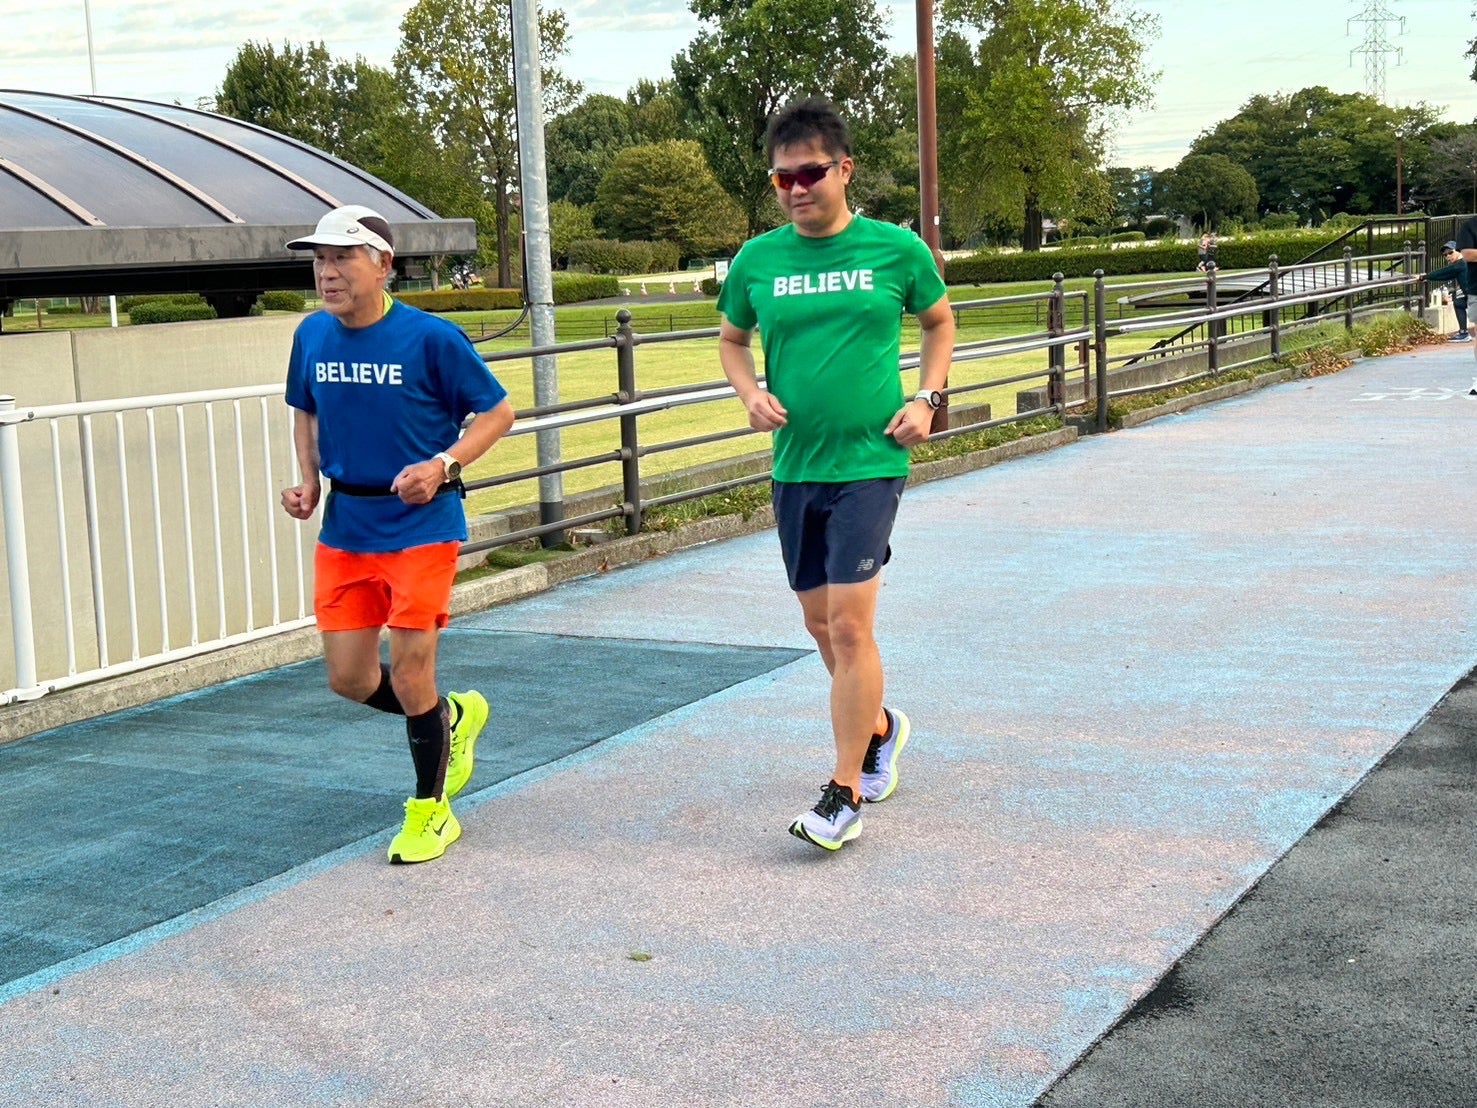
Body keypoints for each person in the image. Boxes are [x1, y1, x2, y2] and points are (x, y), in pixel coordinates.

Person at [715, 98, 956, 851]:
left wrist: (927, 398)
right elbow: (731, 339)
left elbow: (939, 322)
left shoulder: (895, 249)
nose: (795, 188)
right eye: (781, 178)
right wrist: (749, 393)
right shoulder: (757, 261)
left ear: (844, 170)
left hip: (870, 461)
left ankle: (843, 789)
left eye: (809, 173)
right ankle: (879, 726)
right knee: (819, 624)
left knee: (850, 625)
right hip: (795, 466)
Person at [279, 204, 515, 865]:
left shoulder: (431, 338)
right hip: (347, 525)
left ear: (383, 265)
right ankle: (451, 719)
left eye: (342, 258)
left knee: (412, 673)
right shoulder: (311, 334)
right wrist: (308, 481)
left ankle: (430, 812)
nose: (327, 272)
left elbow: (498, 412)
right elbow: (304, 412)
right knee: (349, 679)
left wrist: (444, 465)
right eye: (320, 260)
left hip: (421, 524)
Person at [1424, 240, 1470, 341]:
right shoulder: (1461, 263)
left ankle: (1464, 333)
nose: (1448, 256)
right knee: (1459, 302)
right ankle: (1463, 333)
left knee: (1459, 302)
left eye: (1451, 252)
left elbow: (1443, 272)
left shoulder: (1461, 264)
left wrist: (1424, 277)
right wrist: (1427, 277)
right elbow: (1446, 275)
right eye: (1445, 255)